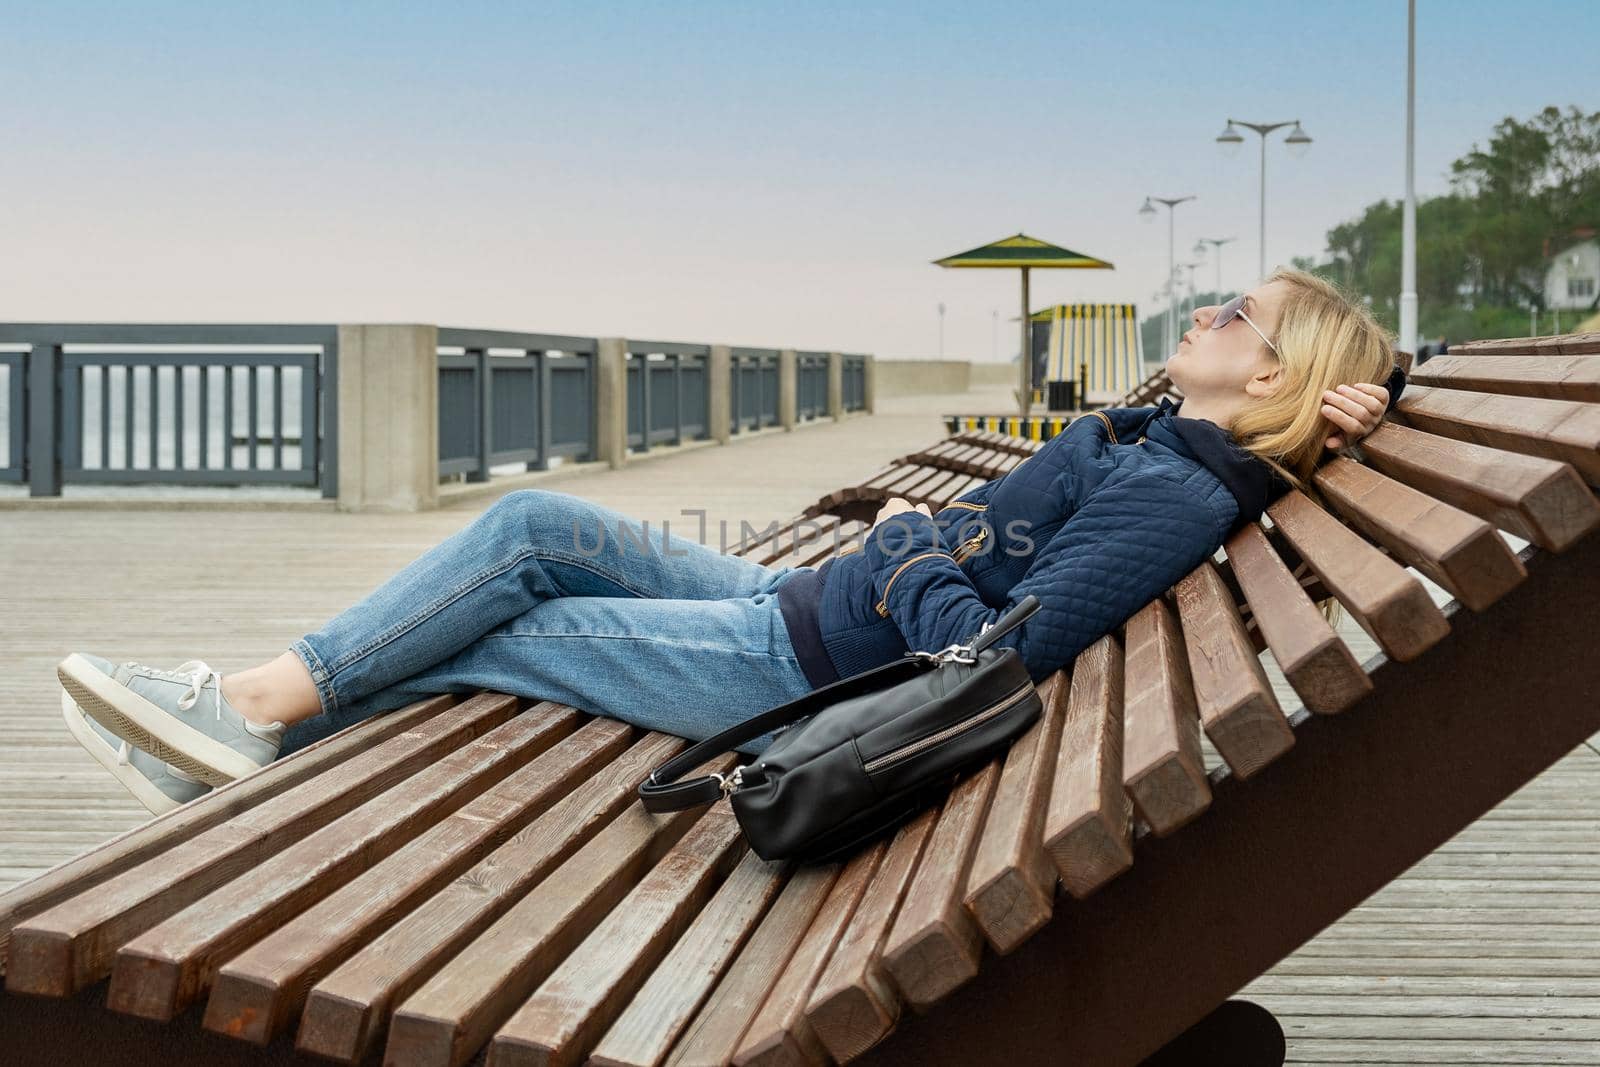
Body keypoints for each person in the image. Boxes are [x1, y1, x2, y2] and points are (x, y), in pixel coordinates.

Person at [56, 267, 1402, 814]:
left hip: (801, 668)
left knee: (516, 625)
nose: (1208, 314)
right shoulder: (1169, 444)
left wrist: (913, 547)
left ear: (1274, 370)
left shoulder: (1180, 495)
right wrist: (1386, 391)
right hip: (813, 605)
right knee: (532, 521)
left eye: (1235, 312)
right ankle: (260, 714)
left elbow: (995, 657)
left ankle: (249, 719)